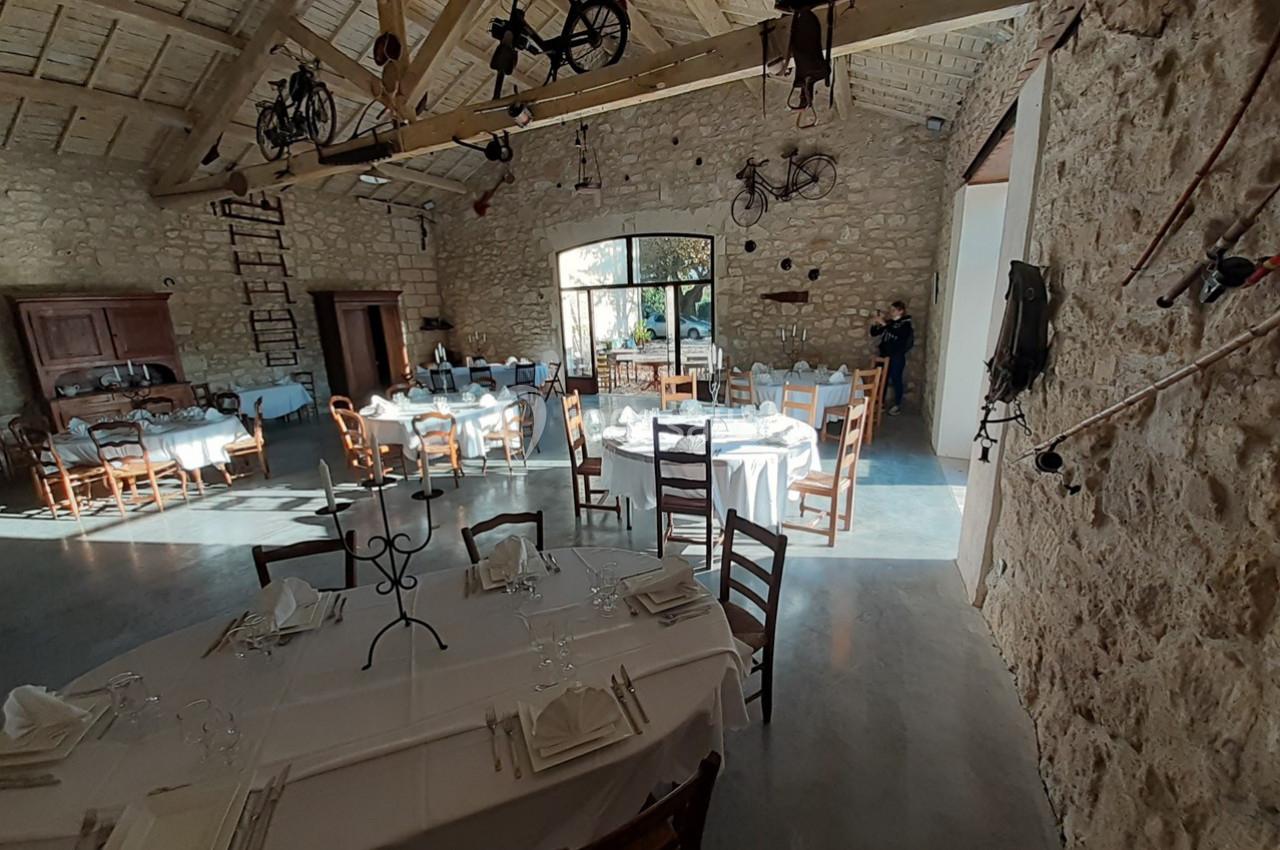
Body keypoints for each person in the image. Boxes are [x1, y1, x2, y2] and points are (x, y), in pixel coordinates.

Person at [869, 300, 914, 416]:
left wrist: (884, 324)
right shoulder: (889, 323)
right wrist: (876, 323)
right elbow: (874, 333)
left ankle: (897, 404)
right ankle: (880, 403)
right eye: (891, 310)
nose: (891, 312)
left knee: (896, 379)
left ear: (901, 311)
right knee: (881, 380)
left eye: (894, 310)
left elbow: (899, 335)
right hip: (884, 355)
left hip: (897, 356)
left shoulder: (905, 324)